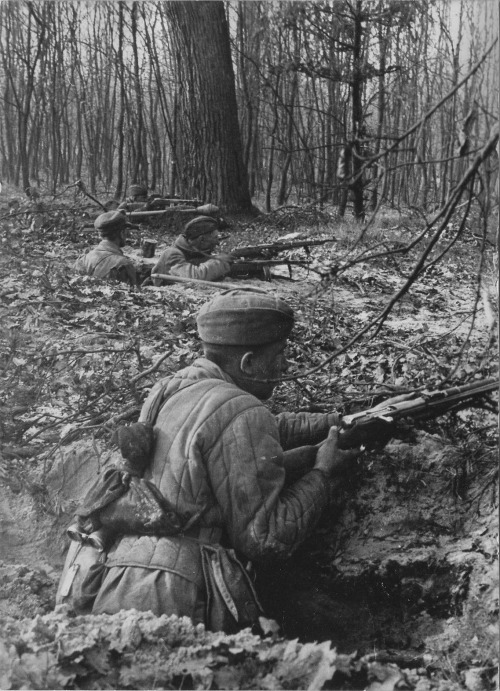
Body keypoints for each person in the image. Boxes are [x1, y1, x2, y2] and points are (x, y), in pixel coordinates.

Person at [91, 289, 360, 632]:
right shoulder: (242, 411)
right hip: (179, 598)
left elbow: (243, 431)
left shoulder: (171, 387)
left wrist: (335, 422)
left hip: (120, 578)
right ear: (248, 363)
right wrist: (322, 472)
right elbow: (265, 539)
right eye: (280, 354)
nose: (285, 365)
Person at [151, 215, 233, 284]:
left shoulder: (194, 251)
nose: (217, 242)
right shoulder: (172, 254)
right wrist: (221, 262)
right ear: (202, 239)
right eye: (215, 238)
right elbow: (193, 276)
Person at [74, 210, 138, 286]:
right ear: (122, 233)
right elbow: (133, 294)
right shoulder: (123, 264)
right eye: (126, 231)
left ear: (100, 235)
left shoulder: (83, 260)